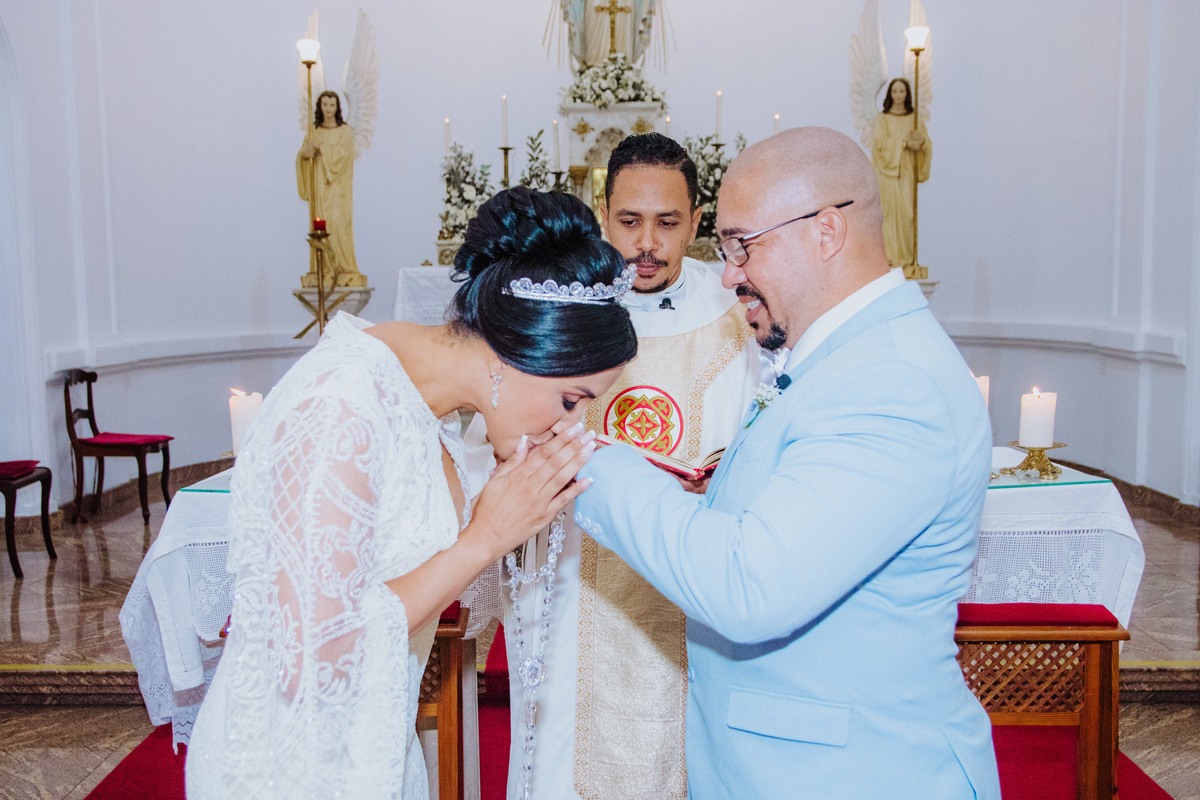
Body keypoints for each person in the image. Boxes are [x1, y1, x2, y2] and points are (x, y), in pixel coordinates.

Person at [573, 127, 1000, 799]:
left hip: (849, 774)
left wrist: (578, 457)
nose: (729, 273)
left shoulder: (890, 382)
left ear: (826, 231)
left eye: (744, 244)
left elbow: (750, 588)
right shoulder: (831, 358)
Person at [186, 187, 638, 800]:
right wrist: (484, 538)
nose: (568, 426)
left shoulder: (435, 413)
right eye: (570, 399)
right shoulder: (340, 405)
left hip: (372, 749)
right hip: (287, 763)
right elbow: (314, 653)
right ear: (514, 353)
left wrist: (500, 523)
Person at [464, 133, 761, 800]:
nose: (648, 243)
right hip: (575, 562)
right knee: (568, 734)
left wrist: (732, 471)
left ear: (697, 220)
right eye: (629, 222)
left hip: (692, 560)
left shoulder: (735, 311)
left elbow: (766, 411)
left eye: (668, 223)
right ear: (603, 214)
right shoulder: (562, 304)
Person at [297, 90, 363, 285]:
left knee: (339, 226)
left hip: (338, 190)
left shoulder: (345, 132)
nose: (328, 109)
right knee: (321, 225)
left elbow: (344, 156)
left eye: (331, 105)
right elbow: (303, 158)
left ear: (337, 108)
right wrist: (304, 155)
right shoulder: (313, 132)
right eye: (324, 105)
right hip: (320, 190)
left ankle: (343, 267)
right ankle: (323, 268)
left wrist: (322, 149)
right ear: (320, 107)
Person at [871, 77, 931, 276]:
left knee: (907, 215)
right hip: (888, 175)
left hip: (906, 173)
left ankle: (907, 260)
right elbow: (879, 143)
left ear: (907, 95)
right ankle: (890, 259)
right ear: (890, 94)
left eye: (902, 92)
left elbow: (925, 143)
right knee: (888, 216)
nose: (898, 96)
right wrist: (904, 143)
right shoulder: (883, 119)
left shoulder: (914, 119)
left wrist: (921, 144)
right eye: (895, 92)